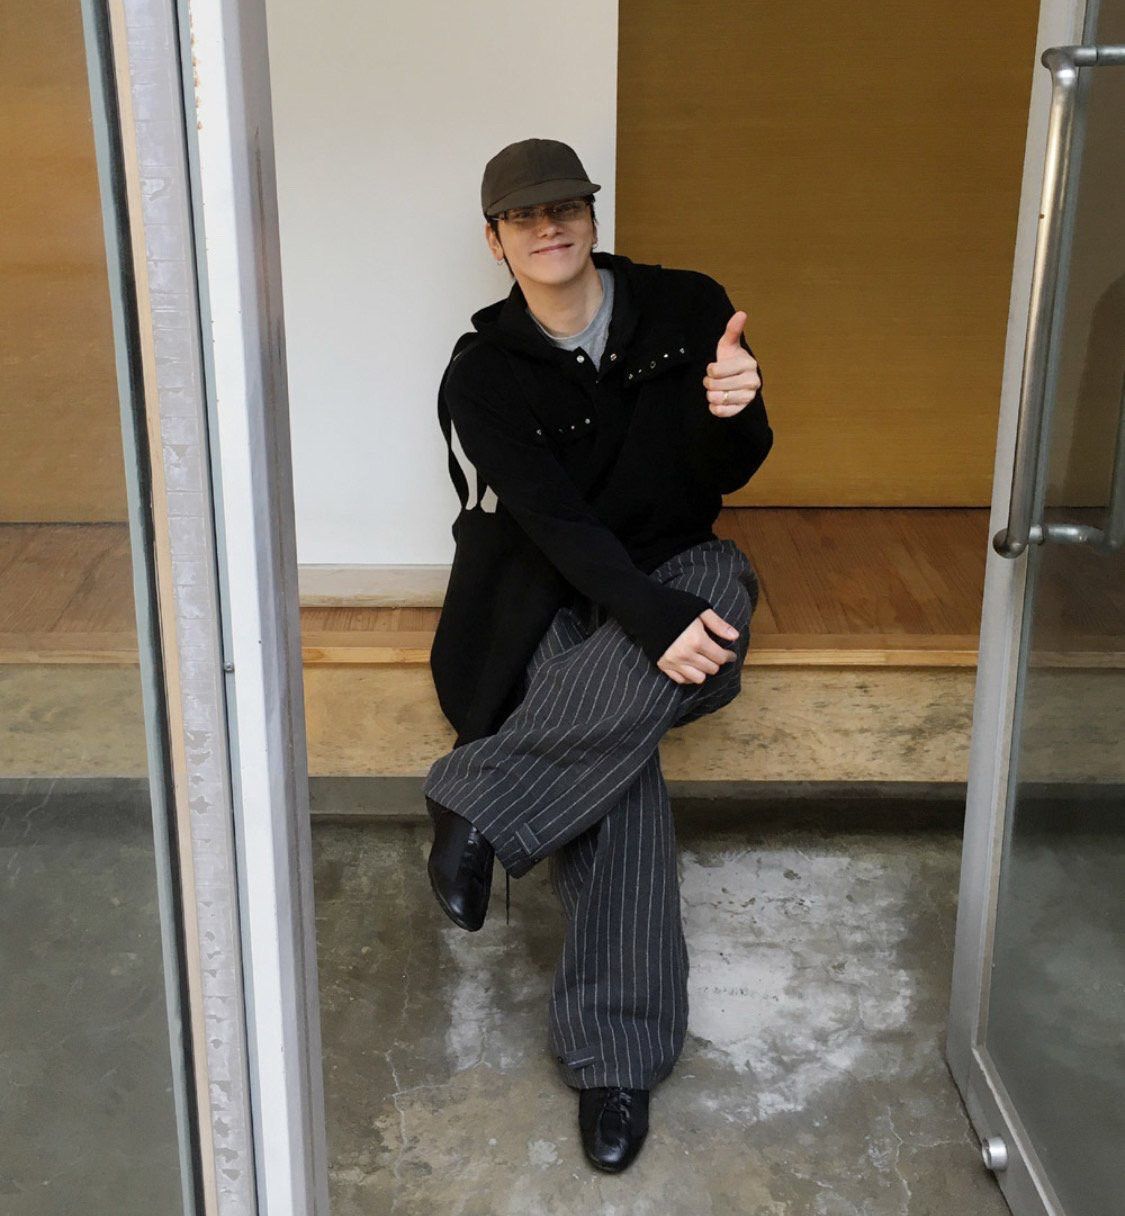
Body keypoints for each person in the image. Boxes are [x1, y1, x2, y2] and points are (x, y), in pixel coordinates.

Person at [423, 137, 773, 1173]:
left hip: (679, 560)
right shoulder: (482, 374)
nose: (548, 226)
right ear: (495, 241)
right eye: (523, 216)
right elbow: (555, 526)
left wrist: (739, 409)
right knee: (620, 768)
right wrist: (648, 622)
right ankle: (617, 1059)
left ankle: (481, 799)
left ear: (590, 214)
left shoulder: (687, 306)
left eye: (564, 205)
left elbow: (732, 471)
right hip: (547, 585)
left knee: (717, 596)